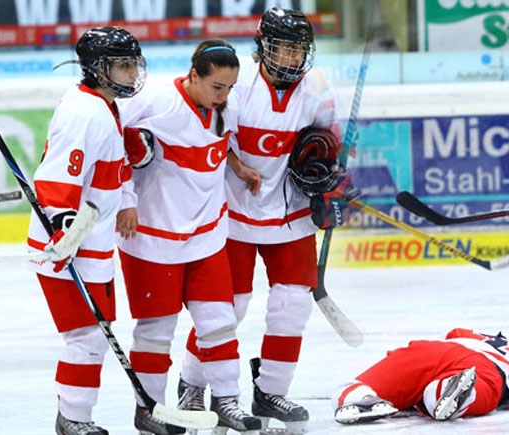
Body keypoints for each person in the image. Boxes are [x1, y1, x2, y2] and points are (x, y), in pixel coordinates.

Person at [174, 8, 356, 435]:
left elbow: (329, 144)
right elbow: (212, 137)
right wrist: (237, 166)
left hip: (290, 212)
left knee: (291, 308)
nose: (292, 58)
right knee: (226, 310)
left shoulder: (317, 88)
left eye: (299, 49)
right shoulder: (237, 88)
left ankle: (270, 389)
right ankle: (191, 381)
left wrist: (330, 177)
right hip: (234, 212)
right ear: (264, 46)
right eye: (284, 47)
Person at [115, 39, 261, 435]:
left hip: (208, 234)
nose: (224, 96)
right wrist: (125, 200)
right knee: (155, 332)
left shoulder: (225, 106)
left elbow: (218, 144)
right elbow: (113, 149)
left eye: (230, 88)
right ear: (193, 75)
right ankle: (149, 410)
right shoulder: (154, 100)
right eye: (217, 87)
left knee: (219, 321)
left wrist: (238, 167)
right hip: (150, 237)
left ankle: (227, 401)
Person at [24, 26, 146, 435]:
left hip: (93, 239)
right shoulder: (84, 112)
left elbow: (112, 167)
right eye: (123, 65)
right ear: (98, 68)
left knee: (95, 335)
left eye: (133, 63)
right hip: (66, 246)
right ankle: (73, 420)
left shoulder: (103, 104)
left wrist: (125, 200)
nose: (133, 72)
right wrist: (63, 232)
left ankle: (75, 417)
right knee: (87, 338)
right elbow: (57, 180)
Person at [331, 327, 509, 425]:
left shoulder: (461, 334)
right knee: (461, 395)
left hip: (429, 350)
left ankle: (363, 398)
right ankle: (450, 392)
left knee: (357, 385)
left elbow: (452, 334)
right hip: (486, 371)